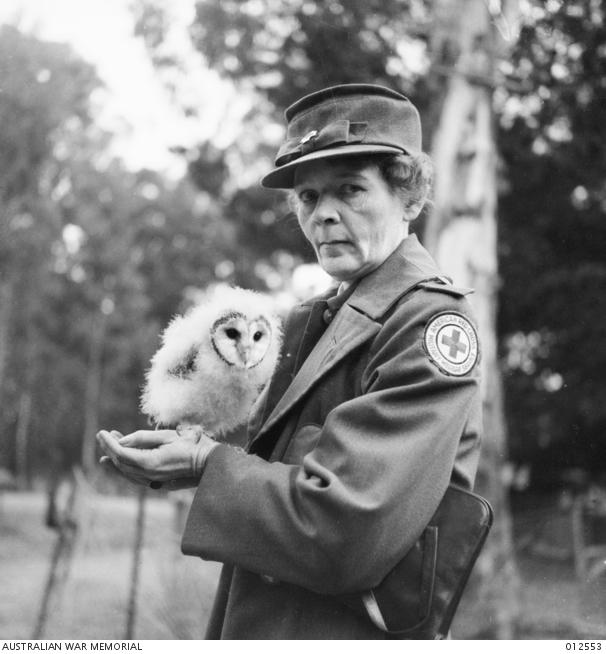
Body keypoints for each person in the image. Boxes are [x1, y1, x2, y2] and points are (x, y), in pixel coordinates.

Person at [97, 83, 482, 639]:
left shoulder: (427, 325)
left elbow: (344, 531)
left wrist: (206, 465)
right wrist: (191, 458)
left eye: (350, 190)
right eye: (308, 197)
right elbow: (278, 482)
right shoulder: (312, 320)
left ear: (411, 197)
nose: (324, 215)